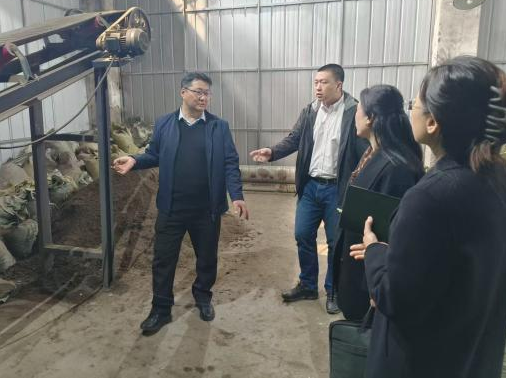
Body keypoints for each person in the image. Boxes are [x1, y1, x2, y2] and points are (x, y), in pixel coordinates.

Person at [350, 56, 506, 378]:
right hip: (473, 354)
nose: (411, 111)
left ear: (432, 122)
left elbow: (394, 299)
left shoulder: (430, 197)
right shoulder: (504, 177)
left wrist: (375, 250)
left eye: (414, 104)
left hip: (420, 361)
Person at [113, 72, 249, 336]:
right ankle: (161, 309)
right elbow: (154, 154)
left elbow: (230, 163)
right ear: (183, 92)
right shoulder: (165, 123)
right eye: (199, 92)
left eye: (207, 93)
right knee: (163, 261)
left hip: (206, 209)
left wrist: (237, 195)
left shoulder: (218, 127)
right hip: (172, 208)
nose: (204, 97)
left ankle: (203, 297)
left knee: (207, 258)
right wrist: (135, 160)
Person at [249, 63, 368, 314]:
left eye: (324, 82)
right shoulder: (310, 111)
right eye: (316, 82)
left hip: (337, 189)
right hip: (311, 187)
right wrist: (272, 152)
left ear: (339, 85)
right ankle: (307, 285)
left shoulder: (353, 112)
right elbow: (295, 138)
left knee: (336, 242)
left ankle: (333, 290)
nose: (318, 87)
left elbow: (363, 151)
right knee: (303, 234)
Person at [333, 84, 424, 321]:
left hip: (370, 280)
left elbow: (394, 234)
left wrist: (376, 287)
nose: (354, 116)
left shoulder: (397, 168)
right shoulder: (372, 154)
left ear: (370, 118)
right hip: (357, 266)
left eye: (358, 110)